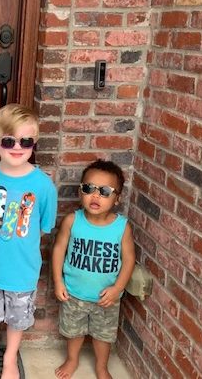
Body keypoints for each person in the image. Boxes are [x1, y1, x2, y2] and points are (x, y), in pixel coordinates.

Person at [0, 104, 58, 379]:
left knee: (17, 319)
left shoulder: (43, 185)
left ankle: (9, 359)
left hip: (23, 270)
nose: (17, 147)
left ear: (34, 143)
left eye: (25, 141)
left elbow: (42, 228)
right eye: (9, 141)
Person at [51, 159, 135, 379]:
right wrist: (58, 281)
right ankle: (72, 359)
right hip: (74, 293)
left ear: (117, 198)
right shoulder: (72, 221)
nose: (96, 196)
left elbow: (129, 260)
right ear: (80, 192)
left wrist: (117, 288)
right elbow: (59, 250)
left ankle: (101, 366)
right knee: (74, 332)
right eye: (89, 188)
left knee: (103, 335)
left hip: (106, 297)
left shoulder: (121, 227)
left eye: (105, 191)